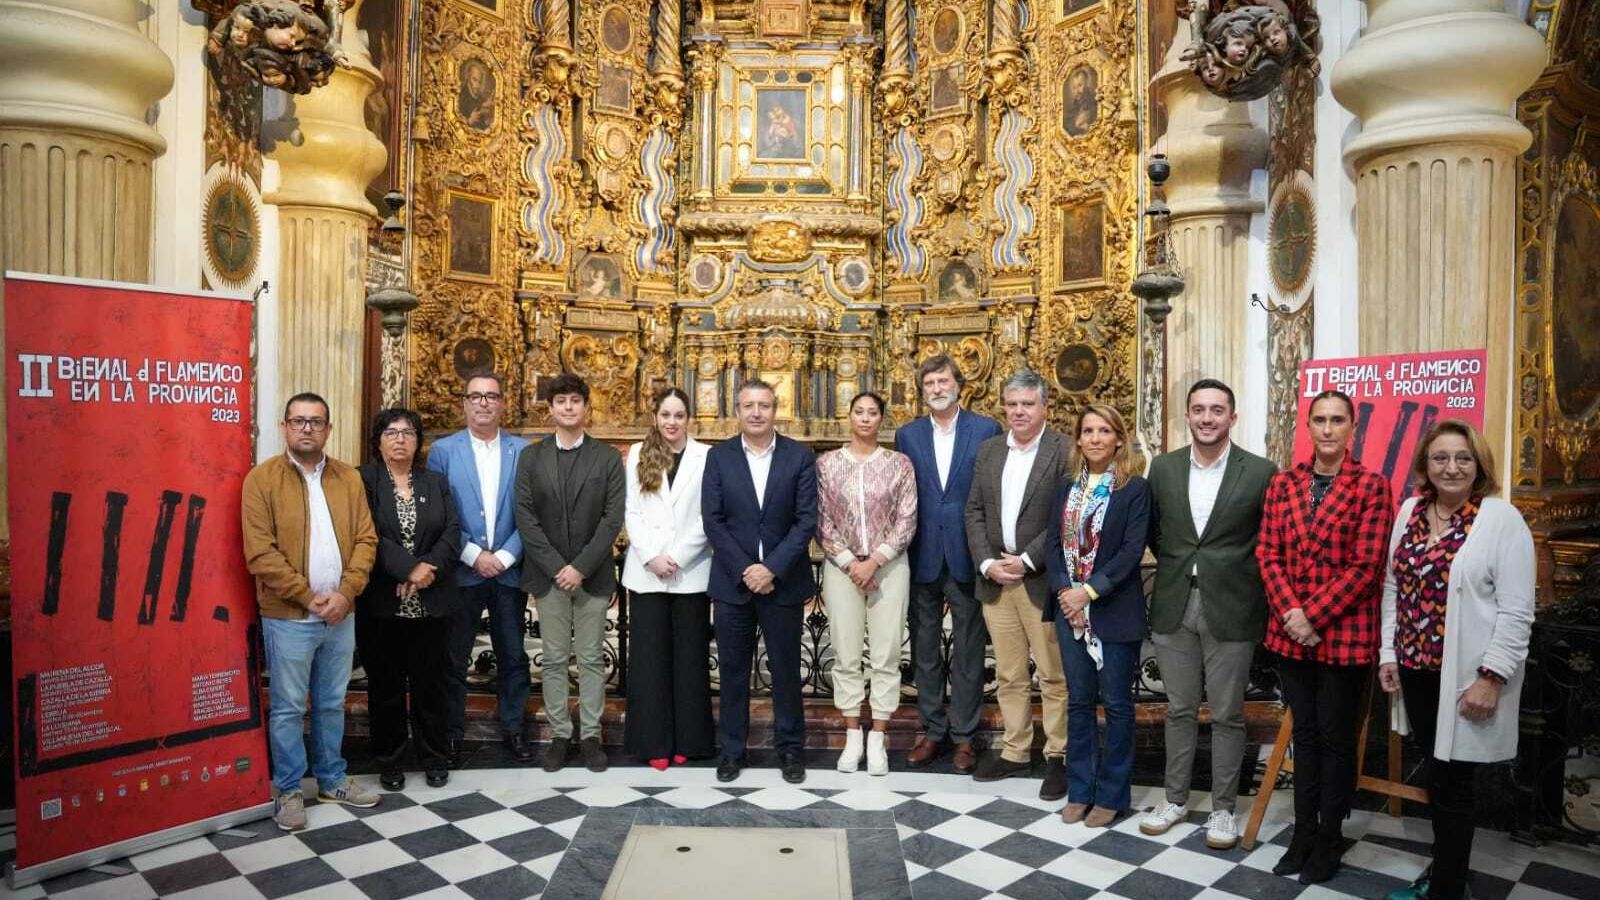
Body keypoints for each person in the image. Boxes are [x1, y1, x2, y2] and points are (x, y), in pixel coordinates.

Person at [1380, 421, 1535, 900]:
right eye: (1441, 457)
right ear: (1425, 464)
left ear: (1478, 464)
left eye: (1463, 458)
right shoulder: (1410, 511)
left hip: (1466, 678)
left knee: (1455, 783)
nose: (1451, 467)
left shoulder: (1500, 519)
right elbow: (1393, 587)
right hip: (1416, 670)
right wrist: (1388, 652)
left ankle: (1447, 887)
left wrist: (1491, 677)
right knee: (1438, 775)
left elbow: (1517, 611)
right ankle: (1443, 873)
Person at [1258, 389, 1394, 884]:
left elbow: (1366, 566)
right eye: (1320, 420)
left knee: (1336, 740)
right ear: (1308, 426)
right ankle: (1303, 833)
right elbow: (1267, 553)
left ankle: (1330, 838)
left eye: (1338, 420)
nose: (1329, 428)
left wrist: (1312, 616)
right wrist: (1292, 614)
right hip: (1290, 633)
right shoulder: (1283, 484)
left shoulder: (1372, 486)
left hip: (1345, 635)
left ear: (1353, 428)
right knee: (1305, 737)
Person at [1140, 379, 1277, 849]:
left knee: (1227, 715)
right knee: (1178, 709)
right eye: (1198, 409)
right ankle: (1175, 800)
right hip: (1174, 600)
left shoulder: (1259, 472)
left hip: (1233, 605)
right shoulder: (1163, 468)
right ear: (1188, 415)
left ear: (1232, 418)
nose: (1207, 418)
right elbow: (1156, 532)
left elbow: (1267, 538)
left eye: (1217, 410)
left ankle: (1223, 810)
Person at [241, 392, 380, 831]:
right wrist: (308, 596)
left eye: (316, 422)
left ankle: (332, 779)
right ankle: (287, 789)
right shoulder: (261, 480)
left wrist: (345, 594)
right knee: (286, 707)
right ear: (284, 427)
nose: (307, 428)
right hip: (289, 618)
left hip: (341, 614)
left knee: (331, 703)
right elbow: (260, 553)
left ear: (328, 429)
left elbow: (366, 540)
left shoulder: (347, 478)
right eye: (298, 421)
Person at [702, 379, 818, 784]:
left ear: (774, 410)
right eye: (748, 405)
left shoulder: (798, 456)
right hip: (733, 584)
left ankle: (790, 749)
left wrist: (771, 568)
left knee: (786, 671)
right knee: (733, 672)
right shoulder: (719, 457)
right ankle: (733, 750)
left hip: (783, 583)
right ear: (737, 411)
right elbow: (713, 520)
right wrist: (747, 569)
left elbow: (806, 520)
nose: (756, 412)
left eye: (764, 405)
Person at [964, 370, 1070, 800]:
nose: (1019, 412)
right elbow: (974, 511)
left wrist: (1026, 560)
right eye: (1012, 404)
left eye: (1028, 404)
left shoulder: (1064, 449)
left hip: (1040, 578)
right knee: (1009, 674)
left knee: (1053, 675)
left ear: (1045, 406)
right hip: (997, 579)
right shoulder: (990, 450)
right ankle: (1016, 749)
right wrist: (988, 562)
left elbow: (1066, 514)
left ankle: (1058, 754)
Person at [894, 355, 1001, 774]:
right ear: (922, 391)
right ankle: (933, 730)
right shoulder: (907, 435)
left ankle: (964, 736)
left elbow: (991, 493)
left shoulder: (986, 430)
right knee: (924, 650)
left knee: (969, 650)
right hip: (922, 553)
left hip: (967, 554)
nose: (937, 389)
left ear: (958, 385)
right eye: (930, 384)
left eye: (943, 381)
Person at [514, 373, 626, 773]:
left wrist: (580, 567)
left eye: (574, 401)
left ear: (586, 407)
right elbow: (525, 516)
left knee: (592, 657)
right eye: (560, 401)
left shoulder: (607, 457)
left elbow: (612, 518)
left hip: (592, 576)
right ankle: (560, 734)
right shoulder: (531, 457)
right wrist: (557, 567)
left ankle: (591, 735)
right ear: (550, 409)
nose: (567, 407)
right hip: (548, 578)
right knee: (555, 658)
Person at [1045, 404, 1151, 828]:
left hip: (1113, 609)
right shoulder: (1065, 487)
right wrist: (1065, 593)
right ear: (1078, 439)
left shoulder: (1134, 489)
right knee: (1079, 702)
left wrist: (1087, 592)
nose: (1094, 438)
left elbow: (1131, 550)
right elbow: (1053, 545)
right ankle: (1080, 790)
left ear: (1119, 439)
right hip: (1069, 611)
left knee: (1118, 705)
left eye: (1104, 431)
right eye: (1087, 431)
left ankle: (1111, 795)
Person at [428, 372, 534, 765]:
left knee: (513, 656)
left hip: (508, 572)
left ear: (502, 403)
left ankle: (514, 729)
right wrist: (473, 555)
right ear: (465, 403)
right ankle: (452, 734)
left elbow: (532, 512)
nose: (484, 403)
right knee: (454, 658)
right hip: (462, 572)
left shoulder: (523, 451)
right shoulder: (443, 451)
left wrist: (505, 556)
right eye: (476, 396)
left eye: (491, 396)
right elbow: (439, 513)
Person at [356, 408, 461, 791]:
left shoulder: (436, 481)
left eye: (408, 432)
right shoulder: (362, 480)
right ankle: (390, 760)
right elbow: (365, 532)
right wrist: (405, 569)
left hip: (431, 600)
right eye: (391, 432)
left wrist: (426, 570)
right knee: (385, 687)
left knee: (431, 686)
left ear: (418, 442)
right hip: (383, 600)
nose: (400, 439)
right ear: (378, 440)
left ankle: (434, 757)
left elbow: (452, 531)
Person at [817, 392, 918, 775]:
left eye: (872, 412)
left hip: (889, 567)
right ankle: (852, 734)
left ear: (881, 419)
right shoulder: (827, 464)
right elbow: (821, 519)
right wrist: (851, 562)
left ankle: (878, 736)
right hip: (841, 567)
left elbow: (907, 519)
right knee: (845, 652)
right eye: (858, 411)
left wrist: (875, 561)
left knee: (886, 652)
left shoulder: (899, 464)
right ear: (849, 417)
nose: (864, 418)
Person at [621, 387, 715, 770]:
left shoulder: (707, 456)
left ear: (689, 418)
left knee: (690, 660)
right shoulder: (638, 454)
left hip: (690, 571)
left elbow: (709, 514)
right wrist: (651, 556)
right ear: (656, 418)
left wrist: (677, 556)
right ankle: (654, 742)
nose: (672, 422)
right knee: (650, 660)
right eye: (665, 415)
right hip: (647, 572)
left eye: (679, 415)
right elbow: (631, 511)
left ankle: (689, 740)